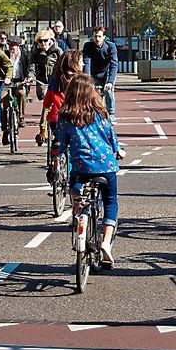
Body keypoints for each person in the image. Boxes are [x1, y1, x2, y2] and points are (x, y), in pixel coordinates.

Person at [55, 72, 122, 267]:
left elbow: (61, 144)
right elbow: (112, 138)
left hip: (81, 166)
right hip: (106, 165)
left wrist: (59, 151)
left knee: (76, 185)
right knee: (111, 201)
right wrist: (118, 151)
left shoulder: (66, 117)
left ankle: (78, 213)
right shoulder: (101, 113)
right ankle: (106, 243)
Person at [41, 49, 84, 172]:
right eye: (81, 61)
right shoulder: (80, 80)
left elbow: (47, 102)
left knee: (59, 139)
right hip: (74, 118)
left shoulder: (55, 80)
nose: (83, 64)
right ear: (74, 63)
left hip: (56, 119)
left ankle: (56, 158)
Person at [82, 26, 119, 122]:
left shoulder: (110, 47)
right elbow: (86, 62)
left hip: (106, 73)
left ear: (104, 37)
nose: (97, 39)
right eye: (95, 37)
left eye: (99, 36)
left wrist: (110, 82)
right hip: (93, 73)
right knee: (89, 93)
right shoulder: (88, 46)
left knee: (109, 92)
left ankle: (110, 113)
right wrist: (87, 79)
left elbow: (114, 64)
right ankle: (90, 113)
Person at [0, 36, 31, 145]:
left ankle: (21, 116)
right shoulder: (4, 55)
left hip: (20, 81)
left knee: (21, 93)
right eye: (10, 46)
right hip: (7, 82)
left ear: (18, 46)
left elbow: (29, 68)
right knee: (2, 102)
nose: (12, 48)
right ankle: (4, 129)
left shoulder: (25, 55)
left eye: (14, 46)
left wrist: (27, 78)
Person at [28, 29, 62, 101]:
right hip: (42, 82)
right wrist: (31, 76)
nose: (43, 43)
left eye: (45, 40)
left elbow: (63, 66)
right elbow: (32, 66)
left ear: (50, 39)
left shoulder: (58, 51)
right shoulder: (35, 53)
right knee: (45, 100)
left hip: (55, 81)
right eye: (40, 41)